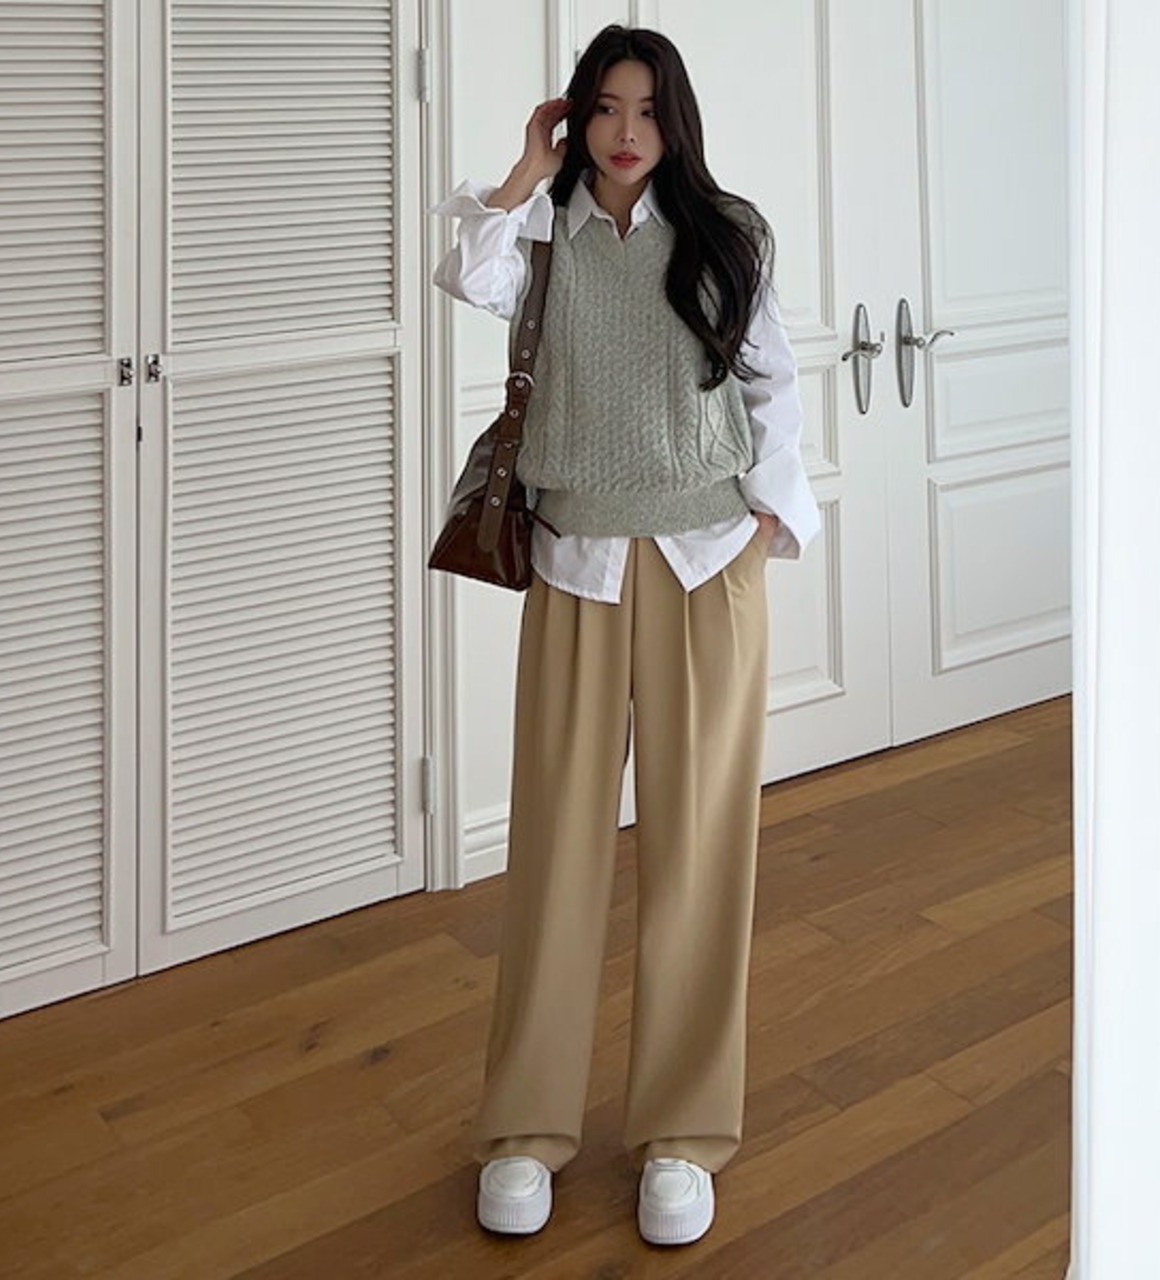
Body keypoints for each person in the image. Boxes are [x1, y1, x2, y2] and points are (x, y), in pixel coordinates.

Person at [429, 23, 821, 1247]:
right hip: (575, 565)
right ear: (577, 117)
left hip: (706, 565)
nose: (624, 130)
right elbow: (463, 275)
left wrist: (767, 518)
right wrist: (520, 168)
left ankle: (682, 1134)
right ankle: (524, 1128)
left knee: (700, 851)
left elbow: (772, 384)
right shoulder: (540, 231)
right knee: (553, 849)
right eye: (603, 106)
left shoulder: (726, 233)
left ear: (675, 120)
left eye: (646, 108)